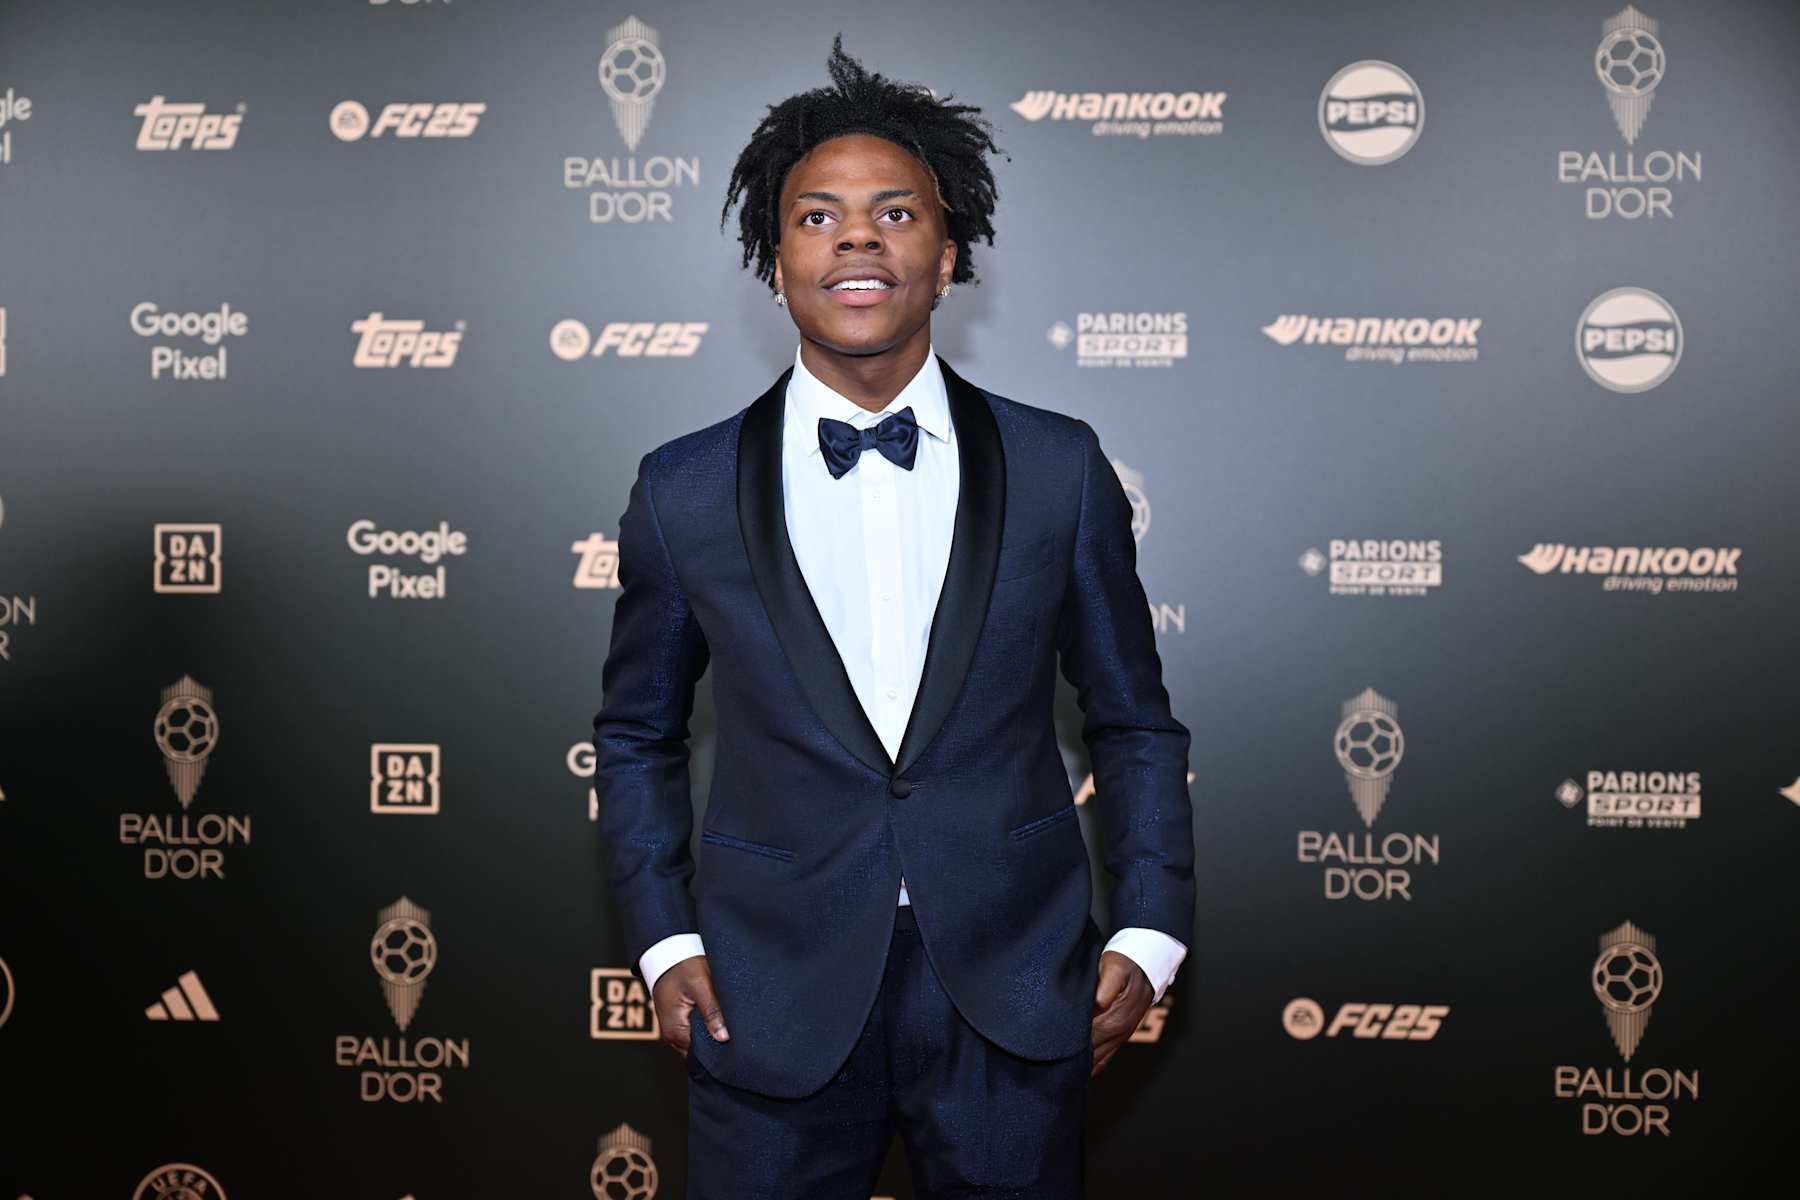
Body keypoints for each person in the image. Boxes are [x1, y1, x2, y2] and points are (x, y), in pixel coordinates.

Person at [592, 35, 1195, 1199]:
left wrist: (1152, 927)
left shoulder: (1059, 469)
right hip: (766, 993)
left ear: (948, 253)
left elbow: (1133, 722)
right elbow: (634, 735)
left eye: (896, 213)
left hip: (1014, 986)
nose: (858, 238)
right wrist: (665, 940)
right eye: (817, 216)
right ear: (775, 257)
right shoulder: (682, 489)